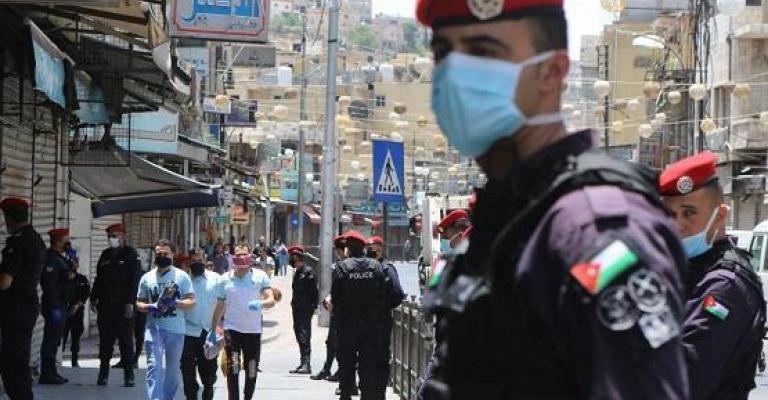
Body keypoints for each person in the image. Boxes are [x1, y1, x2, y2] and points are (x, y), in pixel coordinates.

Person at [415, 1, 689, 399]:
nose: (455, 75)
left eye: (482, 52)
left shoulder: (590, 232)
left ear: (552, 71)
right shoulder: (510, 218)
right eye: (443, 53)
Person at [659, 152, 767, 399]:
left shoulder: (724, 285)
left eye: (689, 213)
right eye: (669, 214)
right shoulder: (688, 270)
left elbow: (682, 381)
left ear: (719, 216)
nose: (678, 225)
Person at [332, 231, 394, 400]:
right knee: (368, 365)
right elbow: (386, 294)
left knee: (346, 364)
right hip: (371, 327)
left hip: (347, 326)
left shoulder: (342, 267)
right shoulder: (376, 266)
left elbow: (335, 297)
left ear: (348, 249)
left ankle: (345, 395)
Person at [211, 244, 276, 400]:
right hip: (232, 330)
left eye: (244, 254)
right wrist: (213, 328)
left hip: (253, 330)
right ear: (233, 257)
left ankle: (248, 397)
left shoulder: (260, 276)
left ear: (250, 256)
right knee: (233, 367)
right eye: (238, 254)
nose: (241, 257)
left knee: (251, 368)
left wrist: (260, 303)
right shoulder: (224, 279)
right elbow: (220, 305)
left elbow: (271, 300)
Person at [136, 239, 196, 400]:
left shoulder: (182, 277)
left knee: (172, 371)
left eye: (166, 253)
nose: (162, 256)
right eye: (159, 253)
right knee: (153, 366)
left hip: (176, 330)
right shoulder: (147, 278)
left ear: (172, 255)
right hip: (154, 328)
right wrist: (150, 307)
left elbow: (191, 301)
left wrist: (175, 303)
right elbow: (139, 303)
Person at [0, 198, 46, 399]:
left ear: (8, 218)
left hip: (16, 308)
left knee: (13, 363)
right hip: (25, 306)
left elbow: (5, 281)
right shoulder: (35, 238)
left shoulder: (19, 241)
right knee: (16, 360)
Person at [90, 222, 141, 386]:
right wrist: (93, 297)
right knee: (105, 342)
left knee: (125, 341)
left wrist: (130, 302)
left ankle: (129, 375)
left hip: (123, 306)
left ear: (122, 236)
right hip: (105, 305)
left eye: (114, 236)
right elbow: (98, 279)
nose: (111, 239)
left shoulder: (131, 255)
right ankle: (103, 374)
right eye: (109, 237)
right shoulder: (105, 255)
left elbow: (134, 281)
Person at [364, 236, 405, 398]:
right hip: (377, 321)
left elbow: (397, 294)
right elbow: (397, 295)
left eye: (374, 247)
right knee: (375, 359)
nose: (373, 250)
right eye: (371, 247)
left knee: (371, 359)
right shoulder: (383, 268)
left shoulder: (384, 268)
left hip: (371, 321)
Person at [180, 252, 220, 400]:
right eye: (194, 260)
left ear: (205, 261)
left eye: (200, 260)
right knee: (187, 371)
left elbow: (224, 303)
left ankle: (208, 391)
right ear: (189, 263)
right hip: (187, 332)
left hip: (209, 332)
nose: (197, 263)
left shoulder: (216, 279)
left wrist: (222, 325)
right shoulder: (182, 280)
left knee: (208, 372)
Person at [39, 228, 73, 384]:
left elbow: (66, 276)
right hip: (54, 305)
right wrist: (54, 307)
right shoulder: (51, 258)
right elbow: (49, 285)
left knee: (54, 340)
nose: (68, 243)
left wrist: (73, 261)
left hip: (60, 303)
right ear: (59, 241)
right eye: (66, 240)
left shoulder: (60, 258)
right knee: (51, 339)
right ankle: (47, 373)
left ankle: (51, 371)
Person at [311, 236, 346, 382]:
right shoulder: (340, 265)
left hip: (344, 311)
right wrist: (329, 299)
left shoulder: (347, 266)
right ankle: (327, 368)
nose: (338, 254)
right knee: (331, 341)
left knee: (341, 343)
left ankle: (341, 371)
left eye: (338, 251)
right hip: (336, 309)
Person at [288, 245, 319, 375]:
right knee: (298, 333)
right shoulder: (297, 272)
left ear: (298, 258)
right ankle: (302, 362)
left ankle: (306, 364)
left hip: (306, 308)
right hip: (297, 308)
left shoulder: (308, 272)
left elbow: (314, 291)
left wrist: (314, 306)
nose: (291, 260)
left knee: (304, 335)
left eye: (293, 257)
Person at [62, 247, 90, 368]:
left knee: (76, 336)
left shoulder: (82, 279)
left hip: (77, 312)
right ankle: (58, 359)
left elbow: (86, 293)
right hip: (63, 311)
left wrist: (77, 305)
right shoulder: (62, 279)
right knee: (61, 336)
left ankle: (74, 360)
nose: (74, 265)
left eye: (76, 262)